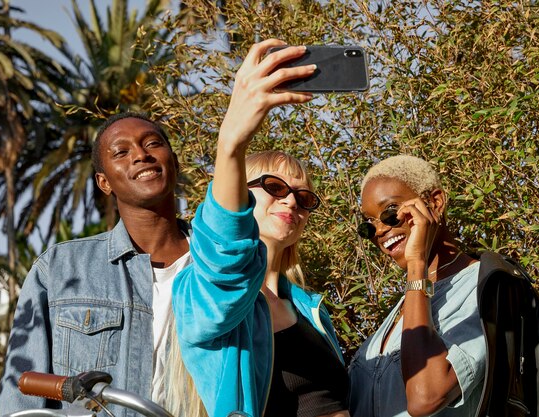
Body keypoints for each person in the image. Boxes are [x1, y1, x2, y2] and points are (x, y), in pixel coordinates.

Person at [172, 39, 350, 417]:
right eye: (274, 188)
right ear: (241, 193)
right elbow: (226, 256)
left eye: (304, 198)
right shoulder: (207, 294)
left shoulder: (309, 307)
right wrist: (231, 144)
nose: (291, 202)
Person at [0, 112, 192, 416]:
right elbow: (21, 396)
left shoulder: (219, 263)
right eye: (121, 152)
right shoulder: (60, 269)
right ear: (104, 182)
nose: (141, 155)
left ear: (174, 163)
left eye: (153, 143)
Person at [348, 155, 486, 417]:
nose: (379, 231)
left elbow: (425, 396)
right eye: (369, 224)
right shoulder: (408, 304)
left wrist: (416, 263)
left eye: (390, 214)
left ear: (435, 202)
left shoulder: (485, 287)